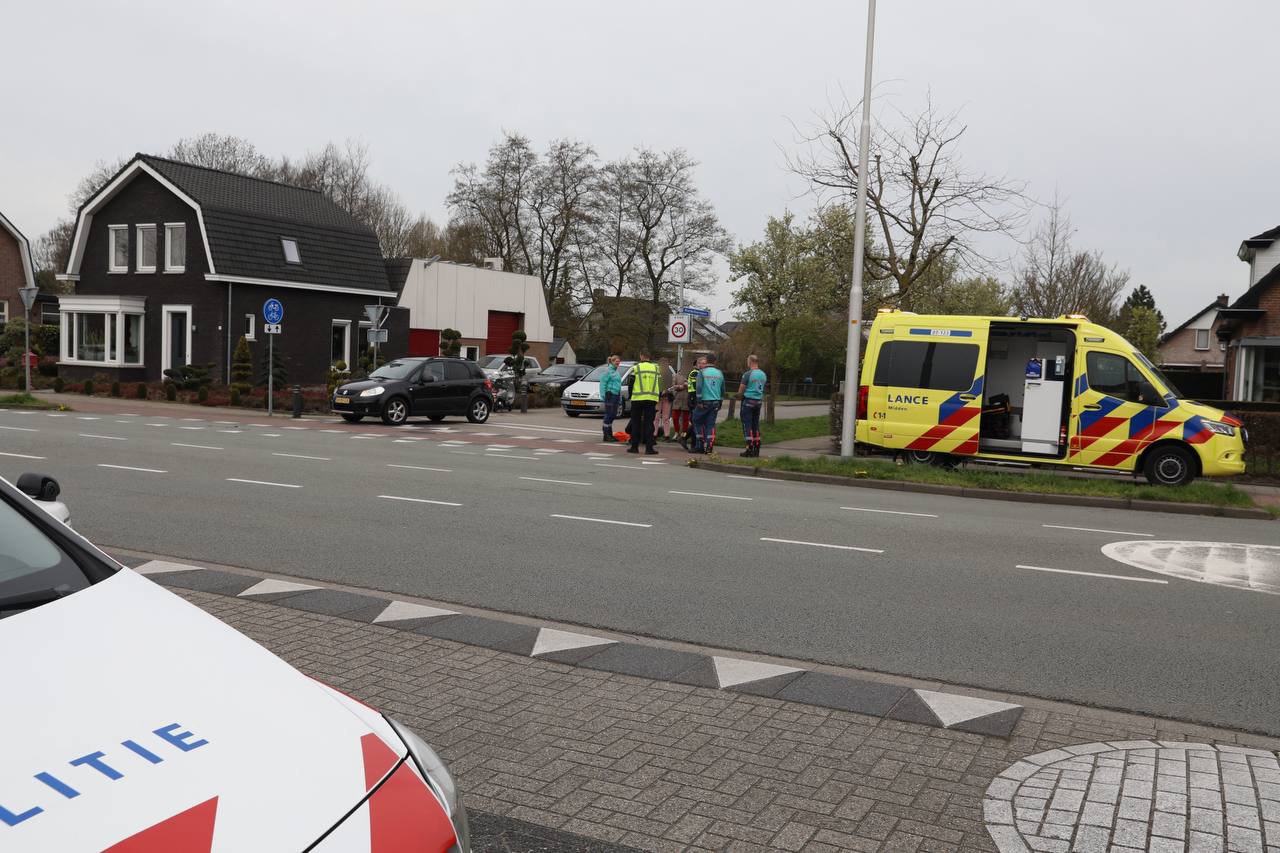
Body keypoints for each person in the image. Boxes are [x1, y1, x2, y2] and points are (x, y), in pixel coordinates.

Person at [624, 351, 661, 455]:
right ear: (649, 357)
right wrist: (657, 398)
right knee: (649, 424)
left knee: (635, 423)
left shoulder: (636, 368)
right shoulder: (656, 368)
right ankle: (649, 448)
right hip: (651, 399)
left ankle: (634, 447)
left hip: (637, 399)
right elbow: (660, 385)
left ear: (641, 356)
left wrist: (630, 397)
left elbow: (630, 384)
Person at [691, 353, 724, 455]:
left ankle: (700, 445)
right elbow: (723, 389)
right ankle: (709, 447)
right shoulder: (719, 373)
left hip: (704, 402)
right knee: (711, 424)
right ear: (715, 361)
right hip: (715, 402)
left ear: (707, 360)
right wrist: (720, 401)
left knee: (696, 420)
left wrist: (699, 400)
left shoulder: (702, 372)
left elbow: (699, 387)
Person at [737, 354, 767, 457]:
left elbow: (742, 388)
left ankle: (749, 448)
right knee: (755, 425)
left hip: (748, 401)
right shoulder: (763, 374)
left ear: (750, 362)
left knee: (747, 425)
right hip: (758, 401)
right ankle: (757, 448)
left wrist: (739, 396)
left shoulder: (748, 374)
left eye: (747, 361)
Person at [600, 355, 623, 442]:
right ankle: (606, 435)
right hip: (610, 395)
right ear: (612, 362)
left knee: (613, 415)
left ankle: (609, 434)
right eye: (616, 361)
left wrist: (619, 397)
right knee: (609, 414)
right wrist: (603, 395)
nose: (618, 363)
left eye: (619, 361)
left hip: (616, 395)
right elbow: (603, 383)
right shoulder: (608, 371)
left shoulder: (616, 371)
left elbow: (618, 385)